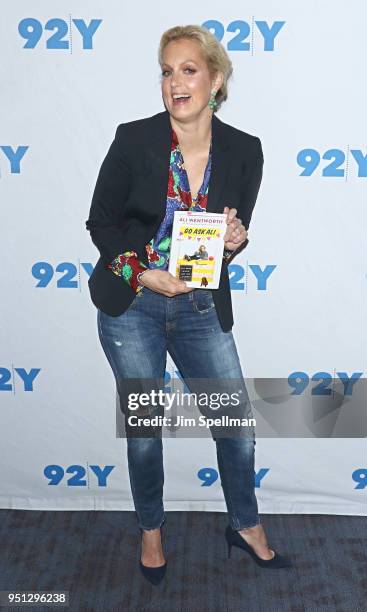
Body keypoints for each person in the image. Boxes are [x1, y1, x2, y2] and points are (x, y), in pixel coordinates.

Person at [86, 24, 292, 585]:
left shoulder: (246, 151)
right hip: (132, 307)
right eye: (166, 70)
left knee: (237, 428)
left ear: (216, 80)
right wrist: (142, 273)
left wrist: (233, 237)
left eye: (188, 69)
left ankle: (244, 523)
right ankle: (151, 529)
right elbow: (99, 222)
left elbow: (231, 232)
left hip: (201, 307)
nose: (175, 82)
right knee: (147, 431)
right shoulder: (134, 139)